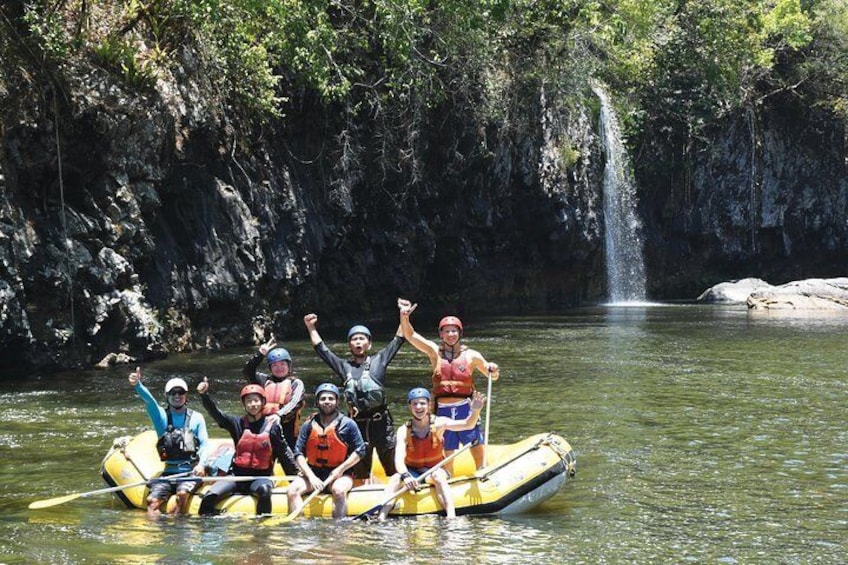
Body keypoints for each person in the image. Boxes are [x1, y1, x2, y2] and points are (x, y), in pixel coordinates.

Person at [303, 299, 410, 481]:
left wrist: (404, 315)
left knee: (393, 468)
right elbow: (322, 350)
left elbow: (398, 339)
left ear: (368, 343)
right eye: (354, 339)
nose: (358, 342)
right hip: (357, 426)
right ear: (349, 345)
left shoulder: (379, 361)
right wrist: (311, 327)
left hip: (382, 425)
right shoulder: (344, 367)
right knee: (360, 472)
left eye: (362, 339)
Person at [399, 304, 500, 470]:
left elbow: (492, 376)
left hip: (465, 408)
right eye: (447, 331)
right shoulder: (434, 352)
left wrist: (494, 370)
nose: (450, 334)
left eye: (454, 331)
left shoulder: (471, 355)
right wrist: (404, 317)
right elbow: (410, 335)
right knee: (447, 450)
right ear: (441, 334)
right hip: (443, 410)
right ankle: (448, 479)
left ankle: (483, 470)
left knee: (475, 444)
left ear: (460, 333)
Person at [377, 388, 486, 520]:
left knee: (438, 476)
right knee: (395, 479)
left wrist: (475, 410)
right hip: (413, 472)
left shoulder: (439, 423)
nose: (419, 407)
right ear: (410, 406)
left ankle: (451, 516)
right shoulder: (403, 430)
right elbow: (399, 460)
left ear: (429, 405)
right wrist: (406, 476)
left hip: (435, 469)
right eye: (415, 404)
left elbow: (467, 425)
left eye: (422, 403)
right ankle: (381, 516)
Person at [196, 378, 295, 516]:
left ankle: (261, 532)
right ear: (244, 404)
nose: (253, 404)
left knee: (265, 493)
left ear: (263, 403)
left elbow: (284, 453)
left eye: (256, 400)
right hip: (237, 476)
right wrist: (204, 395)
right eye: (249, 401)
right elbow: (217, 415)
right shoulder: (237, 423)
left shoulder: (272, 427)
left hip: (261, 478)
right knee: (209, 497)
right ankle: (207, 533)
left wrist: (295, 477)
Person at [128, 367, 209, 516]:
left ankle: (179, 530)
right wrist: (138, 384)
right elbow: (150, 401)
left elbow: (204, 444)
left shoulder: (197, 418)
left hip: (190, 472)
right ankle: (158, 536)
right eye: (173, 393)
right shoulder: (161, 418)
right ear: (167, 395)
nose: (177, 396)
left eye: (181, 392)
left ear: (186, 396)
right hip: (169, 473)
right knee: (152, 501)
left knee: (182, 495)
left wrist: (202, 464)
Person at [287, 383, 367, 518]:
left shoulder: (348, 424)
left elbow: (360, 451)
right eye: (323, 399)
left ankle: (338, 529)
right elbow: (298, 453)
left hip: (340, 473)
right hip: (314, 472)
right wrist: (311, 477)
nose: (327, 402)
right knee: (292, 491)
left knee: (339, 491)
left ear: (337, 402)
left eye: (331, 399)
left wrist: (340, 469)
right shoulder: (308, 425)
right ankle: (299, 529)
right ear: (317, 402)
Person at [242, 337, 304, 474]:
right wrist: (260, 354)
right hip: (265, 431)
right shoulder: (263, 381)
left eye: (282, 364)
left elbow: (295, 402)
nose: (279, 368)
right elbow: (247, 371)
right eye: (275, 365)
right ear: (270, 368)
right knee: (263, 466)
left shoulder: (296, 384)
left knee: (292, 466)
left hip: (287, 433)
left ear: (289, 366)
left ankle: (297, 480)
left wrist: (278, 415)